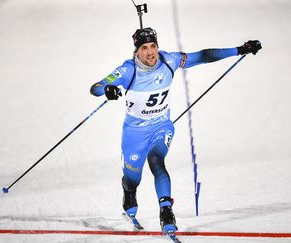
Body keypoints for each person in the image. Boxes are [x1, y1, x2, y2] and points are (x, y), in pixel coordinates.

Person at [90, 27, 261, 233]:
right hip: (134, 134)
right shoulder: (128, 71)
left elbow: (203, 56)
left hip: (161, 127)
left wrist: (240, 49)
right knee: (132, 177)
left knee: (156, 160)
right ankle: (129, 191)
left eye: (153, 46)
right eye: (144, 48)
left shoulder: (169, 60)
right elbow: (97, 87)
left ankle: (166, 210)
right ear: (136, 52)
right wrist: (107, 89)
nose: (150, 52)